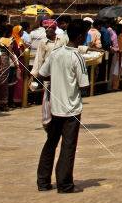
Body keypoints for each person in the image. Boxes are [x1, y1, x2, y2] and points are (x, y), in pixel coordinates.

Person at [37, 19, 90, 193]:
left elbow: (43, 74)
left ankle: (43, 181)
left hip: (55, 105)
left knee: (51, 143)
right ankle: (64, 183)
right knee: (68, 146)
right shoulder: (77, 57)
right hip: (71, 108)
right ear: (81, 36)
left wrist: (57, 81)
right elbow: (84, 85)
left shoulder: (56, 53)